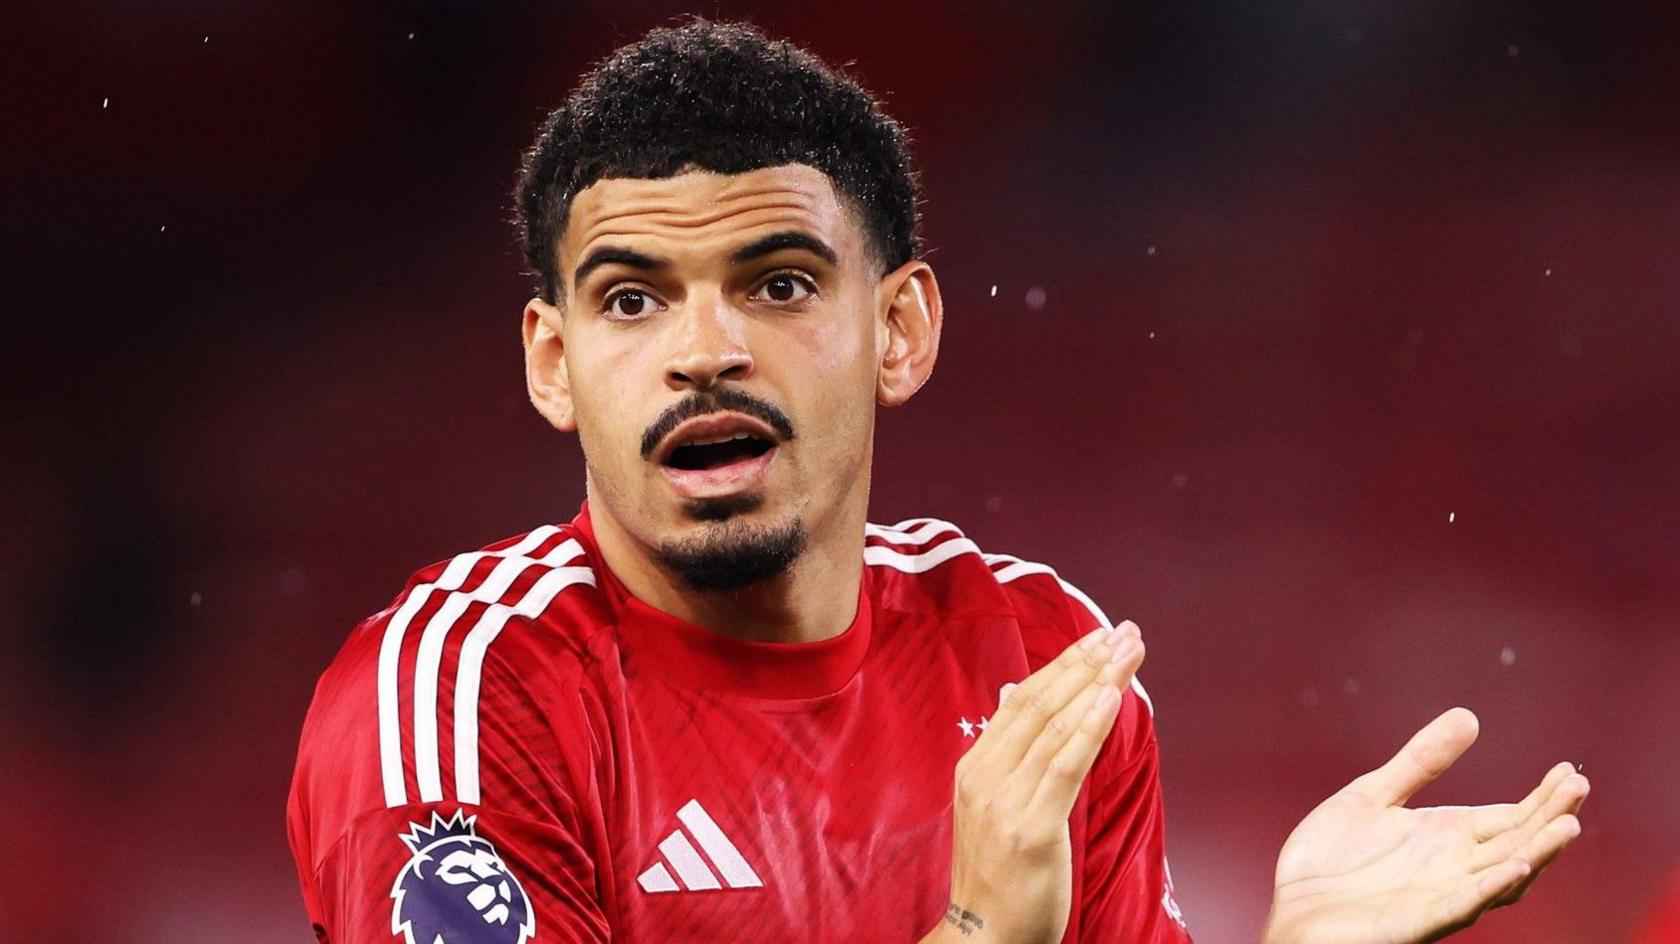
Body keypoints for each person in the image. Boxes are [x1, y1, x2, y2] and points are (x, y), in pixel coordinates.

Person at [286, 18, 1588, 944]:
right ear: (553, 363)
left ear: (899, 332)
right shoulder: (459, 699)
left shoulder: (1027, 656)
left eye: (778, 284)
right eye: (633, 300)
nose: (704, 351)